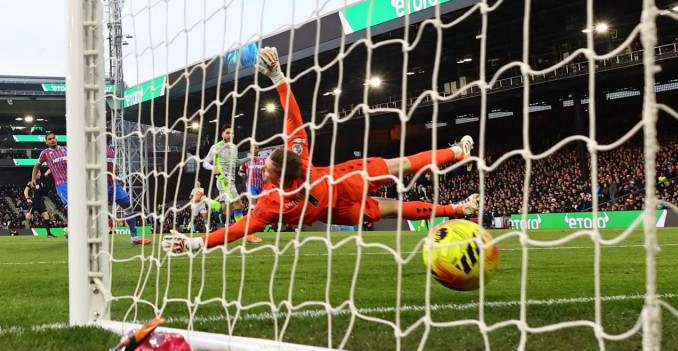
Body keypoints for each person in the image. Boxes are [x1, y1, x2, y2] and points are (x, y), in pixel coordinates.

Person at [164, 47, 479, 254]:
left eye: (267, 166)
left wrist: (194, 243)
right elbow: (293, 115)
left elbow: (234, 231)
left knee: (395, 207)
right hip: (345, 180)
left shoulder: (273, 203)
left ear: (276, 176)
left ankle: (456, 209)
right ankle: (456, 155)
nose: (264, 164)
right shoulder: (298, 155)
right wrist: (276, 76)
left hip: (337, 211)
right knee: (404, 165)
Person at [107, 140, 151, 246]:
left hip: (113, 184)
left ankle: (134, 237)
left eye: (109, 132)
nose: (108, 134)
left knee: (128, 206)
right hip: (98, 184)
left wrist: (117, 177)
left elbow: (114, 168)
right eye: (106, 132)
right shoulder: (93, 149)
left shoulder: (112, 149)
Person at [201, 126, 247, 223]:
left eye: (232, 133)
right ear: (222, 134)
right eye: (227, 133)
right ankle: (244, 232)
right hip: (223, 180)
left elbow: (236, 163)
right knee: (239, 204)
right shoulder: (216, 147)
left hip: (232, 180)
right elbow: (205, 163)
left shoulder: (235, 148)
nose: (230, 135)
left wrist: (249, 158)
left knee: (226, 210)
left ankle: (207, 200)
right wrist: (213, 168)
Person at [24, 168, 60, 238]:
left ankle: (49, 234)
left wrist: (51, 165)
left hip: (41, 201)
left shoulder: (42, 179)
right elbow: (25, 191)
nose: (39, 174)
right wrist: (28, 198)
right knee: (28, 217)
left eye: (39, 172)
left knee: (46, 217)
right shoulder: (32, 182)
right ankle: (13, 222)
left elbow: (48, 172)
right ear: (34, 174)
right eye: (37, 173)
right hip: (34, 202)